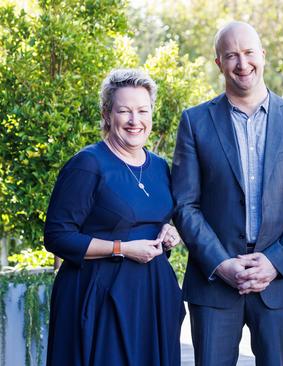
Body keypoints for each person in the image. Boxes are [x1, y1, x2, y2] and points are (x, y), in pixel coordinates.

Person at [171, 21, 283, 366]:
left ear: (263, 56)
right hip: (214, 283)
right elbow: (185, 204)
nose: (242, 63)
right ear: (219, 63)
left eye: (248, 53)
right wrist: (220, 263)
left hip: (279, 282)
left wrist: (274, 261)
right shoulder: (195, 122)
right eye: (231, 56)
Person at [43, 69, 185, 366]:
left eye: (142, 110)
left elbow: (153, 218)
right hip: (99, 297)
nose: (135, 120)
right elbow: (57, 237)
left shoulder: (159, 167)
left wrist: (169, 233)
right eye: (124, 111)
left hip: (151, 297)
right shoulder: (88, 164)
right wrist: (121, 248)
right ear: (107, 114)